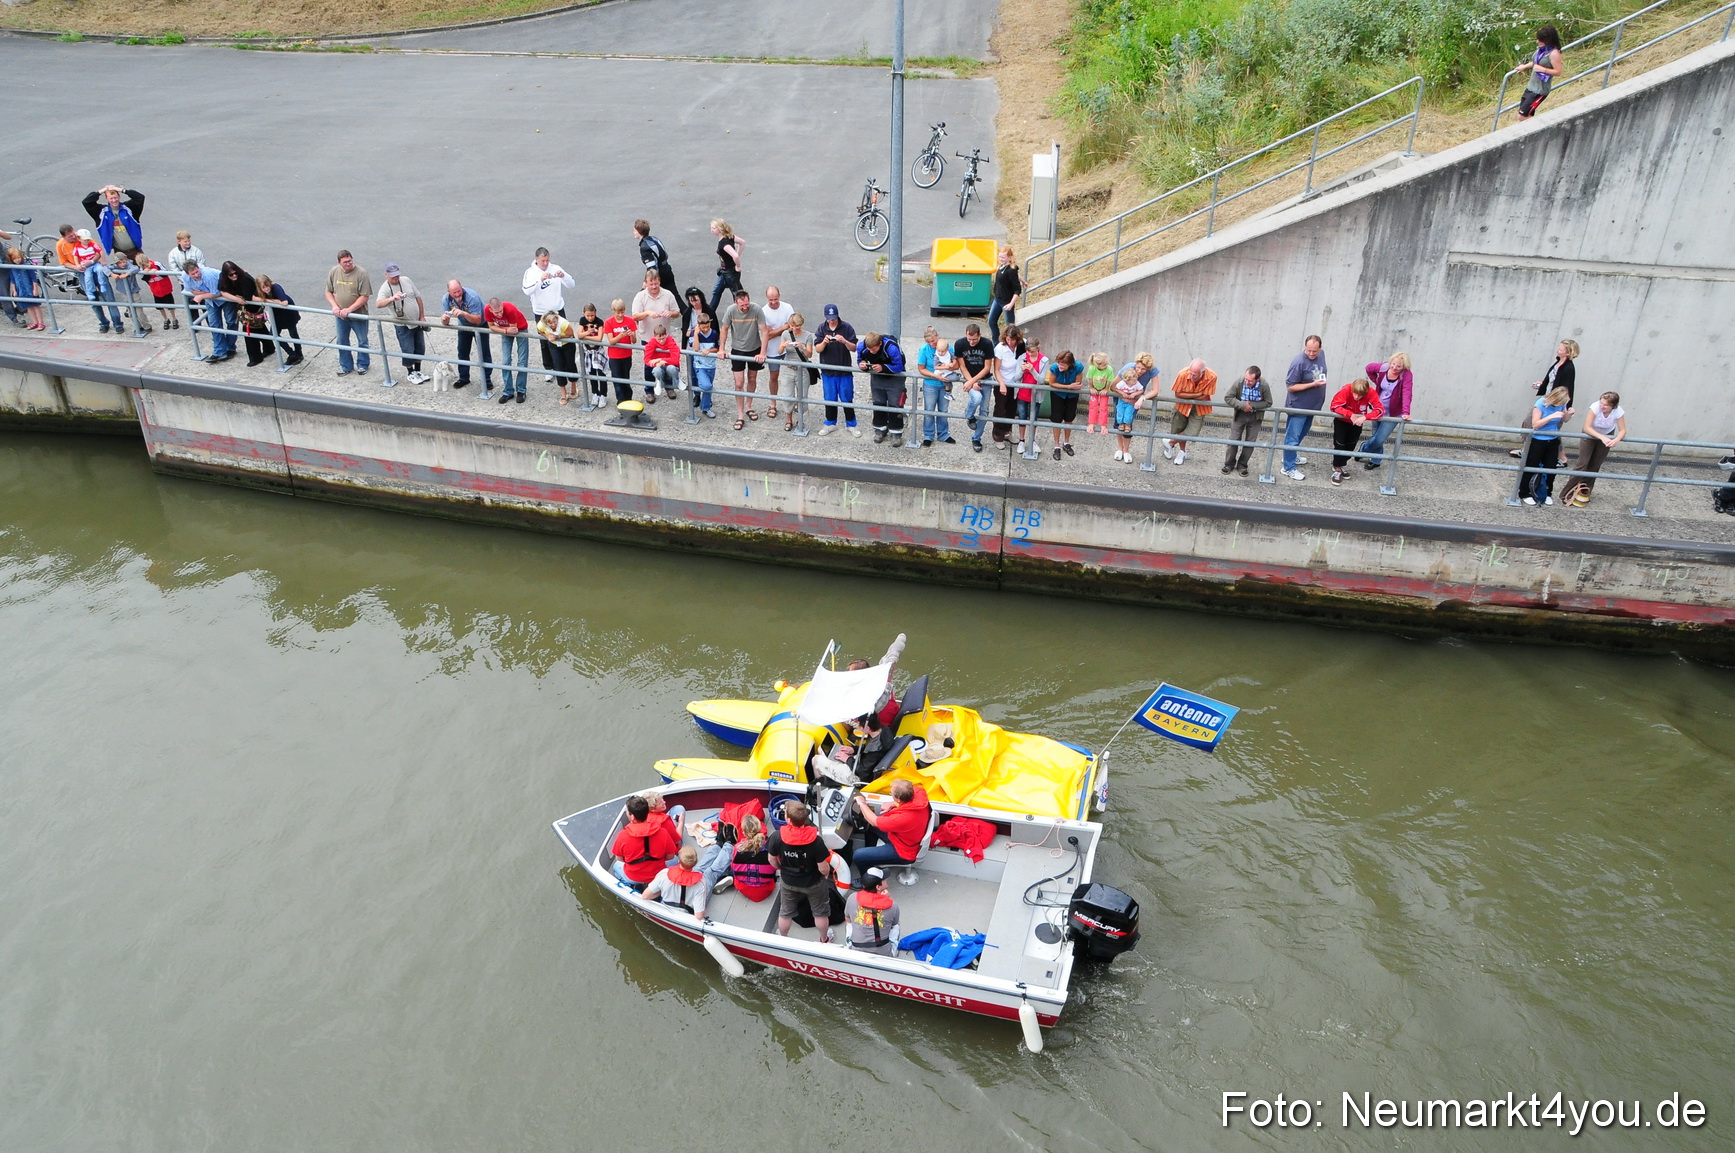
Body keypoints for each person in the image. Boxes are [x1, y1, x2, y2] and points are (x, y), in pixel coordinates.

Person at [768, 800, 833, 941]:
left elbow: (772, 860)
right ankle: (824, 939)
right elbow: (823, 867)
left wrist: (781, 869)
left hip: (788, 881)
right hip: (813, 883)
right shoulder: (816, 841)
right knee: (820, 913)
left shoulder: (776, 837)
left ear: (788, 819)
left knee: (785, 912)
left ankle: (783, 938)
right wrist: (825, 876)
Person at [1511, 340, 1579, 457]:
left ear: (1567, 353)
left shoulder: (1568, 368)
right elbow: (1552, 382)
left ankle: (1560, 456)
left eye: (1561, 349)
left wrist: (1564, 407)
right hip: (1547, 399)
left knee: (1544, 427)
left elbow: (1566, 389)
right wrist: (1542, 385)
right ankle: (1530, 450)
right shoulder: (1558, 363)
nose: (1558, 350)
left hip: (1553, 402)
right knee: (1534, 424)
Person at [852, 779, 931, 872]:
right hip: (903, 837)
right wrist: (893, 803)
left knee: (858, 855)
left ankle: (868, 880)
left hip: (903, 851)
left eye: (891, 793)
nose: (890, 793)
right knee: (868, 825)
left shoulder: (902, 819)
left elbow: (874, 821)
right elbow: (872, 821)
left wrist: (861, 803)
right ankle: (871, 858)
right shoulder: (919, 793)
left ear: (898, 798)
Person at [521, 247, 574, 384]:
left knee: (565, 338)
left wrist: (563, 276)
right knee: (545, 341)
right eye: (543, 261)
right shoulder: (530, 272)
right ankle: (549, 368)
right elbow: (526, 291)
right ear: (537, 260)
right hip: (541, 313)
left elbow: (571, 284)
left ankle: (568, 368)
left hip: (557, 310)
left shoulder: (555, 267)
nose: (545, 263)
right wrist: (539, 280)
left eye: (547, 260)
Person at [1563, 392, 1627, 504]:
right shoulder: (1595, 407)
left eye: (1605, 405)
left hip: (1607, 435)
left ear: (1613, 406)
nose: (1602, 406)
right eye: (1601, 403)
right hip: (1590, 434)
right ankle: (1567, 493)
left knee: (1595, 464)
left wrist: (1616, 440)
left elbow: (1623, 430)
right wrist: (1602, 437)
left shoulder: (1618, 411)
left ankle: (1584, 491)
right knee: (1583, 463)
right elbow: (1587, 427)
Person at [630, 270, 684, 400]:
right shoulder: (640, 297)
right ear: (646, 283)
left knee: (667, 362)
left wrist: (670, 313)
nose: (654, 287)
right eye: (651, 284)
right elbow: (635, 316)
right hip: (648, 337)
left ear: (659, 281)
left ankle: (669, 387)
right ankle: (649, 390)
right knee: (649, 365)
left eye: (656, 283)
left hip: (665, 337)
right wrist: (647, 312)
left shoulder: (668, 295)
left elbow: (677, 312)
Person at [609, 795, 682, 890]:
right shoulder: (662, 833)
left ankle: (631, 885)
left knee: (615, 866)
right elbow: (670, 856)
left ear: (632, 816)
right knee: (675, 859)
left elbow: (619, 859)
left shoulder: (622, 836)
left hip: (633, 876)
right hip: (658, 873)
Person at [720, 288, 768, 429]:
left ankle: (749, 406)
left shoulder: (756, 309)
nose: (746, 307)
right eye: (742, 305)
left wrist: (763, 352)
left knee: (752, 378)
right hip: (738, 349)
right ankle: (740, 414)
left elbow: (764, 330)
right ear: (736, 303)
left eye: (747, 304)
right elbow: (724, 329)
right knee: (739, 383)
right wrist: (722, 348)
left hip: (754, 348)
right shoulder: (731, 310)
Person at [1281, 335, 1328, 480]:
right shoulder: (1299, 362)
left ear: (1320, 348)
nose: (1312, 354)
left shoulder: (1322, 355)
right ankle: (1288, 467)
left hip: (1313, 405)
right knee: (1292, 437)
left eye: (1315, 351)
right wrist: (1313, 384)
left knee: (1301, 434)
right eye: (1309, 351)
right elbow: (1290, 387)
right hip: (1298, 406)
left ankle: (1291, 455)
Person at [1521, 386, 1573, 505]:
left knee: (1551, 468)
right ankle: (1525, 493)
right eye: (1559, 403)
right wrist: (1550, 416)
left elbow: (1565, 419)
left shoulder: (1561, 404)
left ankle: (1547, 493)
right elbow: (1535, 424)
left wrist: (1569, 414)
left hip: (1553, 439)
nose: (1560, 406)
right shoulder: (1540, 403)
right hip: (1537, 439)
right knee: (1531, 466)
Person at [323, 250, 372, 377]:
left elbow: (364, 296)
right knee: (341, 341)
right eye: (345, 262)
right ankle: (346, 366)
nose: (348, 264)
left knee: (362, 341)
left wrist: (349, 309)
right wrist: (334, 306)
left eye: (350, 261)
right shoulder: (334, 271)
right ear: (339, 262)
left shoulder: (361, 273)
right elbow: (328, 292)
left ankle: (363, 365)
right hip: (341, 316)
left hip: (358, 315)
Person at [813, 304, 860, 436]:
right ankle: (830, 423)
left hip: (844, 370)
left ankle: (851, 424)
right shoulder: (822, 328)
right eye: (829, 318)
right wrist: (824, 342)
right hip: (828, 371)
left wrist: (844, 341)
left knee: (847, 398)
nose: (832, 320)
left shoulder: (847, 327)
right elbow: (818, 349)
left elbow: (854, 348)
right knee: (829, 398)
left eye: (833, 318)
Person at [439, 279, 492, 395]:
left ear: (462, 288)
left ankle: (487, 379)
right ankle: (464, 378)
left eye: (459, 291)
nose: (457, 294)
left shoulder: (472, 297)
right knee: (462, 352)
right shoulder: (446, 299)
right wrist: (445, 320)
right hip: (463, 326)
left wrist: (464, 313)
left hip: (481, 325)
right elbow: (444, 320)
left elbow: (478, 319)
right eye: (454, 293)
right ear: (449, 292)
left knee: (484, 352)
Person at [376, 263, 427, 383]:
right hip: (402, 325)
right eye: (393, 276)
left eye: (397, 275)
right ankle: (410, 372)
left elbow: (418, 297)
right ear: (386, 275)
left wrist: (422, 316)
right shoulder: (385, 288)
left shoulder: (406, 280)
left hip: (416, 321)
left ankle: (418, 370)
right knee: (407, 349)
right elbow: (378, 304)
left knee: (420, 348)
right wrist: (391, 299)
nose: (396, 278)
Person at [1360, 352, 1413, 469]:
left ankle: (1364, 448)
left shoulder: (1406, 375)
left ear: (1404, 367)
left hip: (1393, 412)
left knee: (1379, 439)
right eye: (1393, 364)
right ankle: (1376, 460)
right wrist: (1377, 381)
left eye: (1398, 366)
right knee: (1375, 434)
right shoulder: (1384, 368)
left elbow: (1407, 393)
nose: (1394, 368)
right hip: (1378, 408)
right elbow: (1369, 368)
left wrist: (1406, 412)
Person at [1328, 378, 1385, 485]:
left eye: (1360, 395)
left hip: (1357, 423)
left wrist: (1365, 417)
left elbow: (1380, 410)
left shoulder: (1371, 392)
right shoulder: (1346, 389)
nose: (1356, 397)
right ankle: (1337, 468)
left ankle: (1342, 464)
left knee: (1351, 445)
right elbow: (1334, 406)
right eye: (1355, 393)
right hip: (1342, 421)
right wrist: (1350, 414)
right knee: (1339, 444)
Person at [633, 220, 686, 333]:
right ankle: (689, 317)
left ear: (639, 231)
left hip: (658, 275)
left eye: (634, 230)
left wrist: (647, 281)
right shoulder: (654, 239)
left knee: (643, 296)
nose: (633, 232)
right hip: (667, 270)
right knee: (676, 297)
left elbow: (652, 267)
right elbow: (665, 254)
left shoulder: (644, 247)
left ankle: (639, 324)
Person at [68, 228, 123, 334]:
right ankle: (103, 323)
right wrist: (77, 266)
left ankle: (117, 324)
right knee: (93, 299)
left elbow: (99, 251)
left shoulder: (89, 242)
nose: (87, 241)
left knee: (109, 299)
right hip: (83, 270)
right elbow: (67, 261)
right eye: (85, 240)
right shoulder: (68, 246)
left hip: (93, 265)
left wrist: (100, 261)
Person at [217, 261, 272, 365]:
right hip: (245, 307)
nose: (234, 276)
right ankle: (269, 348)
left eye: (235, 273)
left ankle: (255, 358)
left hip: (252, 307)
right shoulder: (223, 278)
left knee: (250, 332)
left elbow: (247, 298)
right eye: (231, 274)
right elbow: (222, 291)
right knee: (259, 327)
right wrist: (236, 298)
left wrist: (236, 297)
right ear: (226, 275)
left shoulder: (245, 279)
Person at [181, 259, 235, 362]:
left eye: (197, 271)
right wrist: (206, 294)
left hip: (226, 297)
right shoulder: (184, 276)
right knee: (214, 324)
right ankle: (219, 351)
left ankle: (230, 348)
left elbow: (217, 293)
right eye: (193, 274)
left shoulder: (208, 275)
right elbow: (191, 290)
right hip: (210, 301)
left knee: (231, 322)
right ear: (188, 274)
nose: (196, 275)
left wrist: (201, 296)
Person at [1165, 359, 1217, 466]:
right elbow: (1178, 394)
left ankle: (1170, 442)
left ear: (1203, 372)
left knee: (1192, 433)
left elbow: (1205, 396)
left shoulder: (1212, 376)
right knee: (1179, 428)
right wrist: (1197, 395)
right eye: (1191, 373)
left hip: (1200, 407)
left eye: (1195, 375)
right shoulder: (1183, 374)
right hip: (1182, 405)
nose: (1192, 376)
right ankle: (1182, 452)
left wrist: (1189, 395)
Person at [1220, 366, 1271, 476]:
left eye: (1250, 380)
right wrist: (1242, 405)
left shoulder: (1264, 385)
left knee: (1250, 442)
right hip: (1240, 414)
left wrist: (1251, 405)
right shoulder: (1240, 382)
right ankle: (1229, 464)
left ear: (1257, 379)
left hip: (1255, 416)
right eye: (1246, 379)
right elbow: (1228, 397)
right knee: (1233, 440)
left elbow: (1268, 402)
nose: (1247, 382)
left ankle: (1242, 465)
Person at [858, 330, 906, 444]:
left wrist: (883, 368)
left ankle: (896, 433)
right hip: (877, 377)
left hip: (895, 378)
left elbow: (899, 366)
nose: (871, 351)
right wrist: (863, 365)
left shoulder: (891, 348)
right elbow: (859, 360)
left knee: (896, 404)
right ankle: (880, 430)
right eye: (869, 349)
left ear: (880, 343)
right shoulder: (862, 346)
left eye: (873, 349)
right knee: (878, 402)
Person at [915, 326, 960, 447]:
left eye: (933, 341)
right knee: (929, 410)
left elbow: (956, 364)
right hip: (930, 384)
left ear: (937, 336)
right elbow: (921, 369)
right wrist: (936, 376)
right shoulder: (924, 350)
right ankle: (928, 435)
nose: (932, 344)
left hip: (945, 381)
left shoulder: (947, 347)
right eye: (929, 342)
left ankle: (943, 434)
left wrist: (949, 366)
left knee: (943, 410)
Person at [714, 814, 777, 901]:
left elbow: (733, 866)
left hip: (743, 888)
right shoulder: (770, 845)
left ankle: (728, 875)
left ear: (743, 832)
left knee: (732, 866)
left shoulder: (737, 847)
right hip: (766, 889)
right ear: (759, 829)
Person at [953, 323, 993, 452]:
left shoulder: (987, 344)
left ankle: (976, 438)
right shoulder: (959, 344)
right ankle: (969, 415)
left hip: (985, 379)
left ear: (980, 335)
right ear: (966, 334)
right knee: (976, 398)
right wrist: (970, 382)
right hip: (969, 378)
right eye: (969, 339)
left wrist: (973, 381)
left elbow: (987, 367)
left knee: (984, 410)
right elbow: (962, 366)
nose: (971, 342)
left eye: (974, 339)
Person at [639, 846, 710, 917]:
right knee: (710, 874)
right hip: (686, 913)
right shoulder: (700, 883)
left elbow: (645, 896)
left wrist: (661, 892)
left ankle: (714, 849)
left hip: (666, 909)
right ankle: (715, 849)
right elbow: (699, 916)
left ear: (679, 861)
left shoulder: (664, 874)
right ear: (694, 863)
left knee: (704, 870)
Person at [776, 311, 817, 430]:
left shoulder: (808, 335)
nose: (795, 328)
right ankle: (788, 420)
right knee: (787, 395)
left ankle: (800, 419)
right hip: (787, 369)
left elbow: (809, 355)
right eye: (792, 326)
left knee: (802, 396)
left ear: (801, 324)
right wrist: (783, 345)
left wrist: (803, 347)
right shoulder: (785, 334)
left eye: (797, 326)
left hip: (802, 369)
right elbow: (779, 352)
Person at [485, 297, 531, 403]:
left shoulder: (510, 309)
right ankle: (508, 391)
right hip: (505, 330)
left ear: (502, 306)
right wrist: (504, 330)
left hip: (520, 328)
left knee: (522, 360)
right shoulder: (487, 310)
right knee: (505, 361)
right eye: (496, 313)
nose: (499, 315)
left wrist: (502, 329)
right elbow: (491, 326)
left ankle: (521, 390)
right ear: (491, 310)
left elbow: (513, 329)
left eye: (501, 311)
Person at [844, 868, 901, 955]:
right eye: (884, 879)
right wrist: (886, 899)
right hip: (884, 953)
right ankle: (893, 952)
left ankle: (849, 945)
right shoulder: (893, 906)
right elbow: (894, 924)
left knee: (850, 922)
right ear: (878, 887)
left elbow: (847, 918)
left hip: (856, 949)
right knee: (896, 926)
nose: (886, 880)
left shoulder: (852, 898)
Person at [989, 325, 1027, 448]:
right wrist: (1001, 384)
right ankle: (998, 435)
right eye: (1008, 339)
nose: (1010, 342)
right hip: (1003, 381)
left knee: (1011, 408)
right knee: (1000, 408)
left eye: (1013, 340)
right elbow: (996, 369)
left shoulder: (1022, 345)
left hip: (1015, 382)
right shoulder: (1000, 348)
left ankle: (1007, 431)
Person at [760, 284, 794, 421]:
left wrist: (777, 330)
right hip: (772, 350)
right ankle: (773, 403)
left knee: (792, 377)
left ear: (779, 296)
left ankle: (793, 401)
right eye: (770, 300)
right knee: (774, 376)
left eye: (775, 299)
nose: (773, 302)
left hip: (788, 349)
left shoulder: (787, 307)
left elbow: (792, 327)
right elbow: (767, 335)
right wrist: (784, 327)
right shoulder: (763, 312)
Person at [1516, 25, 1564, 120]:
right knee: (1525, 114)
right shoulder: (1542, 49)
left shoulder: (1554, 54)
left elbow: (1558, 72)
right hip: (1531, 86)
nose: (1538, 41)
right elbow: (1535, 63)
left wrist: (1543, 70)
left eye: (1540, 40)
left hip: (1540, 90)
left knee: (1522, 116)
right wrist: (1524, 66)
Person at [81, 185, 145, 256]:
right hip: (119, 254)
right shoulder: (101, 212)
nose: (114, 200)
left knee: (146, 266)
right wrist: (102, 191)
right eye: (111, 198)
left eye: (115, 197)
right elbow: (86, 202)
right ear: (106, 199)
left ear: (119, 197)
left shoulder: (129, 208)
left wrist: (122, 190)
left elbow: (140, 198)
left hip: (136, 251)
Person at [255, 273, 303, 366]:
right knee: (273, 334)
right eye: (263, 287)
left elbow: (284, 302)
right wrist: (272, 301)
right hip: (277, 314)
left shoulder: (276, 287)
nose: (266, 289)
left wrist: (274, 301)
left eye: (267, 286)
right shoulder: (260, 291)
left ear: (270, 283)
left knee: (293, 334)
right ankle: (292, 354)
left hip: (288, 313)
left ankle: (299, 354)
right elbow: (253, 298)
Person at [1045, 350, 1083, 459]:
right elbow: (1052, 383)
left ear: (1070, 364)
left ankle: (1066, 443)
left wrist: (1072, 387)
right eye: (1059, 363)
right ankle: (1056, 446)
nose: (1060, 366)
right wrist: (1068, 387)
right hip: (1058, 394)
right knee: (1056, 420)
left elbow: (1078, 384)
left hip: (1072, 396)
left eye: (1063, 364)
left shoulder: (1078, 367)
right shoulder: (1054, 368)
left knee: (1069, 418)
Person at [538, 310, 580, 404]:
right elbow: (540, 331)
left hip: (567, 344)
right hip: (554, 345)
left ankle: (574, 386)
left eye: (554, 322)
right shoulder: (541, 325)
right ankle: (563, 393)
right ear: (546, 323)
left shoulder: (564, 323)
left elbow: (570, 334)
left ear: (557, 319)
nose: (553, 324)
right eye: (550, 323)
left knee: (570, 364)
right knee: (558, 367)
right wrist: (547, 335)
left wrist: (557, 336)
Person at [105, 250, 150, 337]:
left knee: (139, 311)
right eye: (119, 263)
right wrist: (111, 274)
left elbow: (135, 268)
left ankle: (147, 326)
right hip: (124, 292)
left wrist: (127, 274)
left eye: (123, 261)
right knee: (130, 311)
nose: (122, 264)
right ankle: (138, 326)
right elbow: (105, 268)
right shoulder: (114, 266)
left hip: (133, 291)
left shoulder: (130, 265)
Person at [602, 298, 638, 403]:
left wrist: (631, 335)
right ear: (613, 311)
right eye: (618, 313)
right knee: (617, 380)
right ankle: (621, 401)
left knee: (626, 378)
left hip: (626, 355)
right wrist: (620, 335)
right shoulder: (608, 322)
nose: (620, 315)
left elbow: (634, 341)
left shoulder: (630, 321)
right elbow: (611, 341)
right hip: (614, 356)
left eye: (622, 312)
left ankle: (628, 399)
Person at [1016, 336, 1048, 454]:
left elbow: (1041, 380)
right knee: (1022, 417)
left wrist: (1033, 369)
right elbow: (1015, 377)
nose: (1030, 353)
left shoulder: (1044, 360)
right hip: (1022, 392)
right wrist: (1022, 370)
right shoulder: (1022, 357)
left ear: (1038, 349)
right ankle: (1021, 440)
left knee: (1033, 418)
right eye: (1028, 351)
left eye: (1032, 351)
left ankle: (1032, 440)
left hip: (1036, 394)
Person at [1111, 364, 1149, 463]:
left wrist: (1134, 395)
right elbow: (1114, 387)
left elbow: (1141, 389)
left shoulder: (1137, 383)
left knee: (1128, 417)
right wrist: (1123, 394)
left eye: (1143, 369)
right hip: (1121, 401)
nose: (1140, 371)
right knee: (1119, 417)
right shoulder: (1123, 380)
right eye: (1139, 368)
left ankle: (1126, 450)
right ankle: (1120, 448)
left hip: (1131, 402)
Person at [687, 309, 721, 418]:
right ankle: (698, 395)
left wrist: (709, 351)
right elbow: (696, 348)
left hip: (711, 365)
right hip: (699, 365)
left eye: (707, 327)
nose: (706, 329)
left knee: (708, 388)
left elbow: (717, 348)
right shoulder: (694, 333)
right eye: (703, 328)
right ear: (698, 326)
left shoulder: (714, 333)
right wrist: (696, 334)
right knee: (707, 385)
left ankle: (705, 408)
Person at [576, 302, 609, 407]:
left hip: (598, 351)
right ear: (583, 314)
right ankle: (595, 393)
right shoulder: (582, 320)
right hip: (588, 351)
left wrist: (586, 336)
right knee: (591, 373)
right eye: (588, 316)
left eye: (592, 315)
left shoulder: (599, 322)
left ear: (595, 312)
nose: (590, 318)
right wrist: (588, 332)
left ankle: (603, 395)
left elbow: (599, 338)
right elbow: (579, 335)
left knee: (601, 373)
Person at [708, 219, 743, 313]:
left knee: (737, 293)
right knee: (717, 291)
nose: (711, 230)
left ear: (720, 229)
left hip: (730, 272)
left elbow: (735, 255)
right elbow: (742, 242)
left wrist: (738, 264)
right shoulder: (730, 237)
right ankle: (710, 313)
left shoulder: (724, 244)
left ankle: (741, 312)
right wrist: (737, 256)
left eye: (714, 228)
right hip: (724, 271)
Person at [989, 245, 1021, 344]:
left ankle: (1009, 344)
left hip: (1006, 302)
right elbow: (1018, 275)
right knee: (991, 321)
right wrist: (1023, 280)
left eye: (1003, 257)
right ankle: (996, 343)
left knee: (1010, 328)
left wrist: (1011, 304)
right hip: (997, 299)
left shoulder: (1011, 270)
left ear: (1009, 257)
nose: (1001, 259)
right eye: (999, 257)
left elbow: (1017, 290)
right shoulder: (1001, 266)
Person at [6, 249, 45, 330]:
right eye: (14, 258)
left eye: (18, 257)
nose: (17, 260)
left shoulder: (27, 266)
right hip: (21, 291)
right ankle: (34, 322)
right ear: (11, 259)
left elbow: (33, 279)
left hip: (29, 289)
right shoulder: (11, 268)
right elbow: (12, 280)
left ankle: (40, 322)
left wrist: (35, 289)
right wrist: (14, 291)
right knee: (29, 307)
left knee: (36, 306)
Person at [644, 323, 682, 398]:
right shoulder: (651, 342)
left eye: (663, 338)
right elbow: (646, 359)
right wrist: (657, 364)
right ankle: (654, 387)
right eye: (659, 339)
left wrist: (660, 360)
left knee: (671, 369)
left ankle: (671, 387)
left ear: (666, 334)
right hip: (659, 366)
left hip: (668, 365)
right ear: (655, 337)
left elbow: (676, 359)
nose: (661, 341)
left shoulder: (670, 340)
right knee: (657, 371)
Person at [139, 254, 177, 330]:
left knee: (170, 306)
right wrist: (146, 273)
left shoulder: (157, 264)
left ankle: (174, 319)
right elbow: (144, 279)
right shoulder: (141, 269)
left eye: (147, 265)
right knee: (160, 307)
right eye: (144, 266)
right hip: (155, 291)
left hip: (165, 289)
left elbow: (166, 273)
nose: (147, 267)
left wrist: (157, 272)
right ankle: (166, 319)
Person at [1084, 351, 1115, 435]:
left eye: (1106, 364)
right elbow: (1090, 379)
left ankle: (1103, 424)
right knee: (1093, 406)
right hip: (1094, 389)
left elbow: (1109, 381)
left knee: (1103, 407)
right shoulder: (1092, 368)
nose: (1105, 366)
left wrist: (1106, 389)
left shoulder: (1109, 369)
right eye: (1103, 365)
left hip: (1103, 390)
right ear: (1097, 365)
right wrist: (1091, 387)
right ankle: (1091, 423)